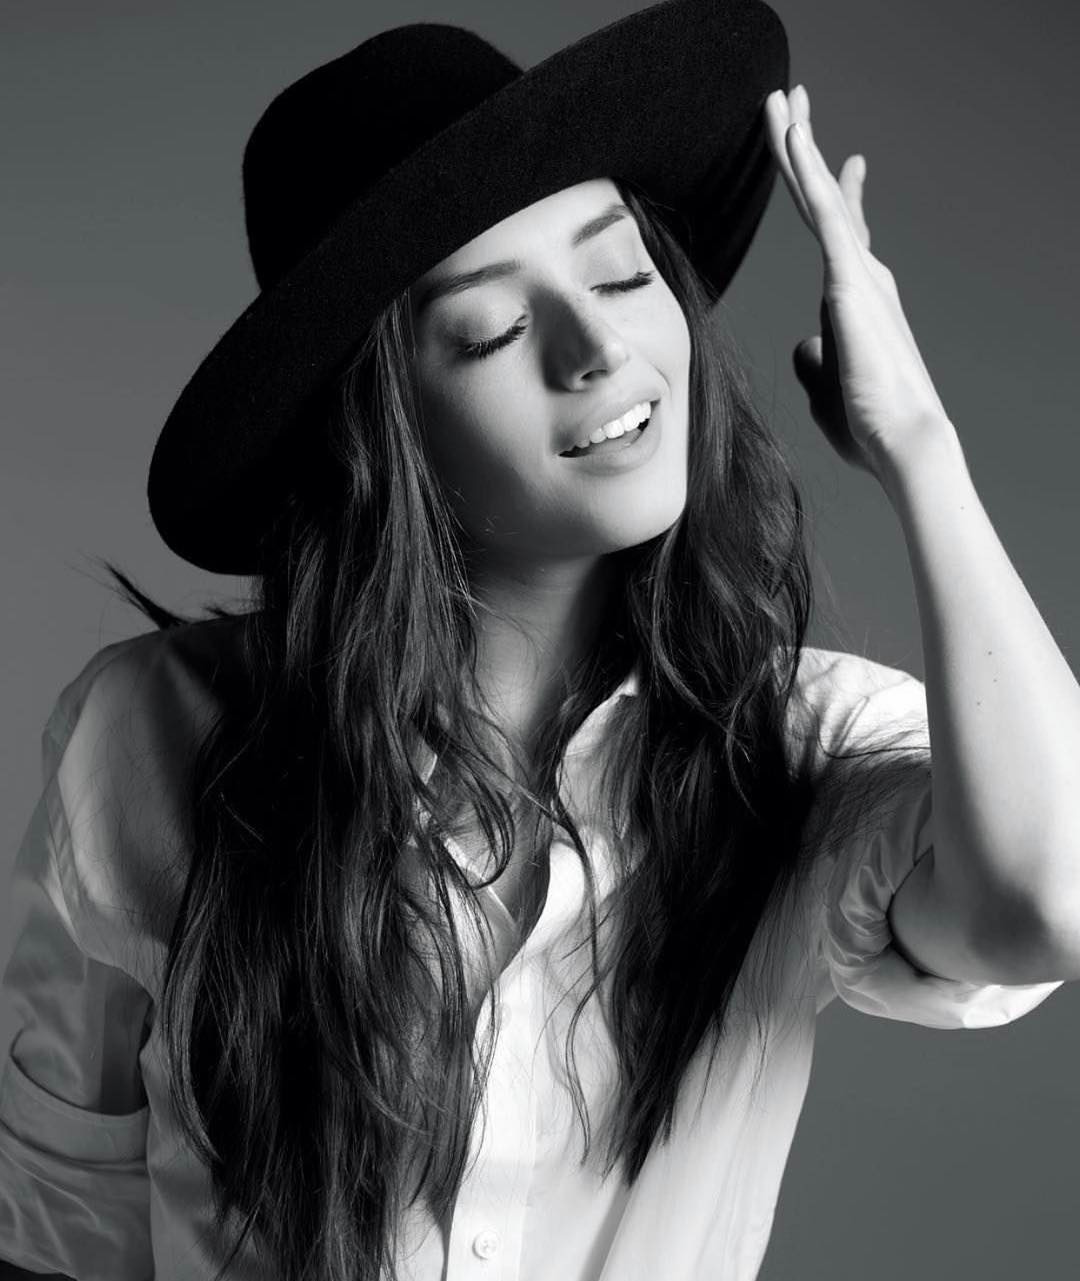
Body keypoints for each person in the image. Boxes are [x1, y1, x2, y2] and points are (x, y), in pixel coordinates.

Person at [1, 2, 1077, 1279]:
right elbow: (56, 1230)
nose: (599, 349)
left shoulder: (795, 747)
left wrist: (921, 448)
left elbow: (1046, 906)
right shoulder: (147, 734)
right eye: (493, 331)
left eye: (621, 275)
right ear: (380, 430)